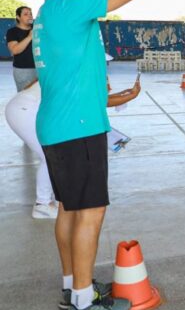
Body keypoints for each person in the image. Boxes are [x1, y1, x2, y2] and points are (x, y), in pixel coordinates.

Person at [32, 0, 148, 310]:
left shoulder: (49, 11)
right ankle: (83, 302)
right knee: (91, 212)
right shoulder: (73, 4)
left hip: (59, 124)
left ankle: (72, 285)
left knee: (69, 209)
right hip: (77, 128)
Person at [6, 74, 142, 220]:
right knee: (50, 157)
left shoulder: (68, 69)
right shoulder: (80, 75)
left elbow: (94, 99)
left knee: (53, 156)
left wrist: (122, 94)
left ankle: (50, 201)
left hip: (22, 107)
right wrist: (130, 96)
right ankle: (42, 204)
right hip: (26, 110)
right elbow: (96, 101)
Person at [6, 5, 37, 91]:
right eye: (26, 14)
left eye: (31, 13)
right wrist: (29, 37)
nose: (30, 16)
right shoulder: (12, 32)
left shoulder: (37, 29)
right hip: (24, 71)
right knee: (26, 99)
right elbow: (14, 50)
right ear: (18, 17)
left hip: (40, 69)